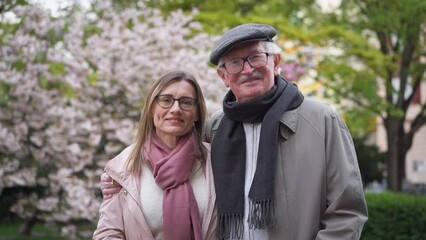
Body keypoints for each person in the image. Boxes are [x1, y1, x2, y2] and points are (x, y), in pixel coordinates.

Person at [101, 23, 368, 240]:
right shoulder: (215, 129)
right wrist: (118, 182)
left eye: (255, 57)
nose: (247, 69)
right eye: (235, 63)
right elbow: (172, 157)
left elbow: (347, 210)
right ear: (223, 76)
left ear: (276, 61)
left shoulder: (320, 120)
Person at [93, 70, 216, 240]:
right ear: (151, 108)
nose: (175, 109)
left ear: (196, 113)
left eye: (186, 102)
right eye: (166, 100)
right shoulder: (124, 165)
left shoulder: (215, 161)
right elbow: (108, 233)